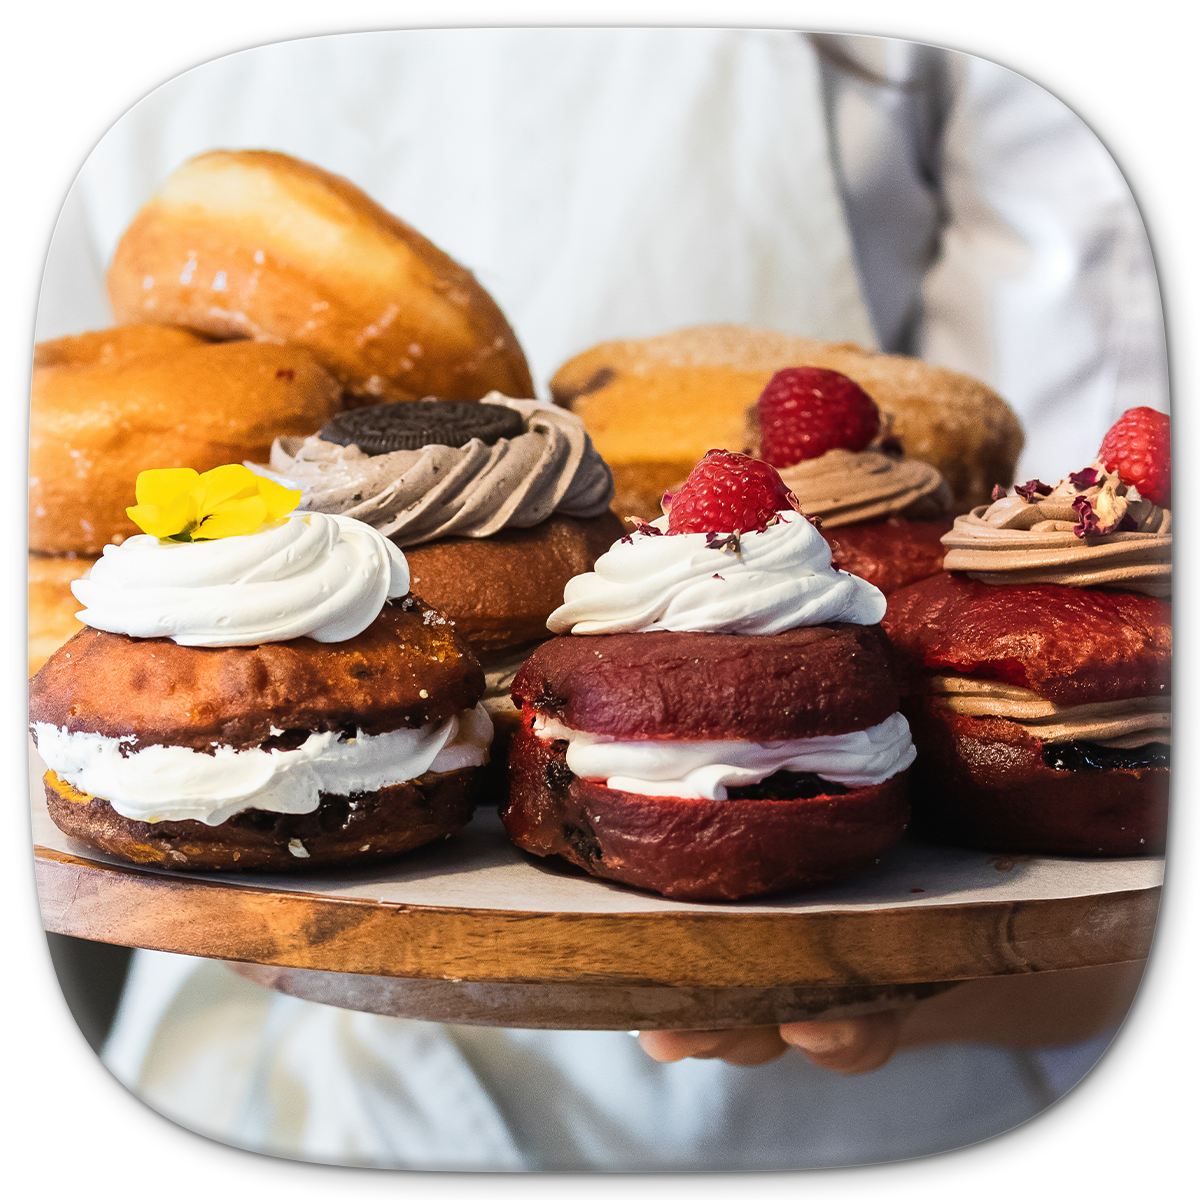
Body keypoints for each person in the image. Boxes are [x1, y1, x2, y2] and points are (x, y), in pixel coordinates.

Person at [34, 27, 1166, 1172]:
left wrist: (986, 984)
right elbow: (71, 480)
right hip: (264, 1081)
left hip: (865, 1117)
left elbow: (1088, 484)